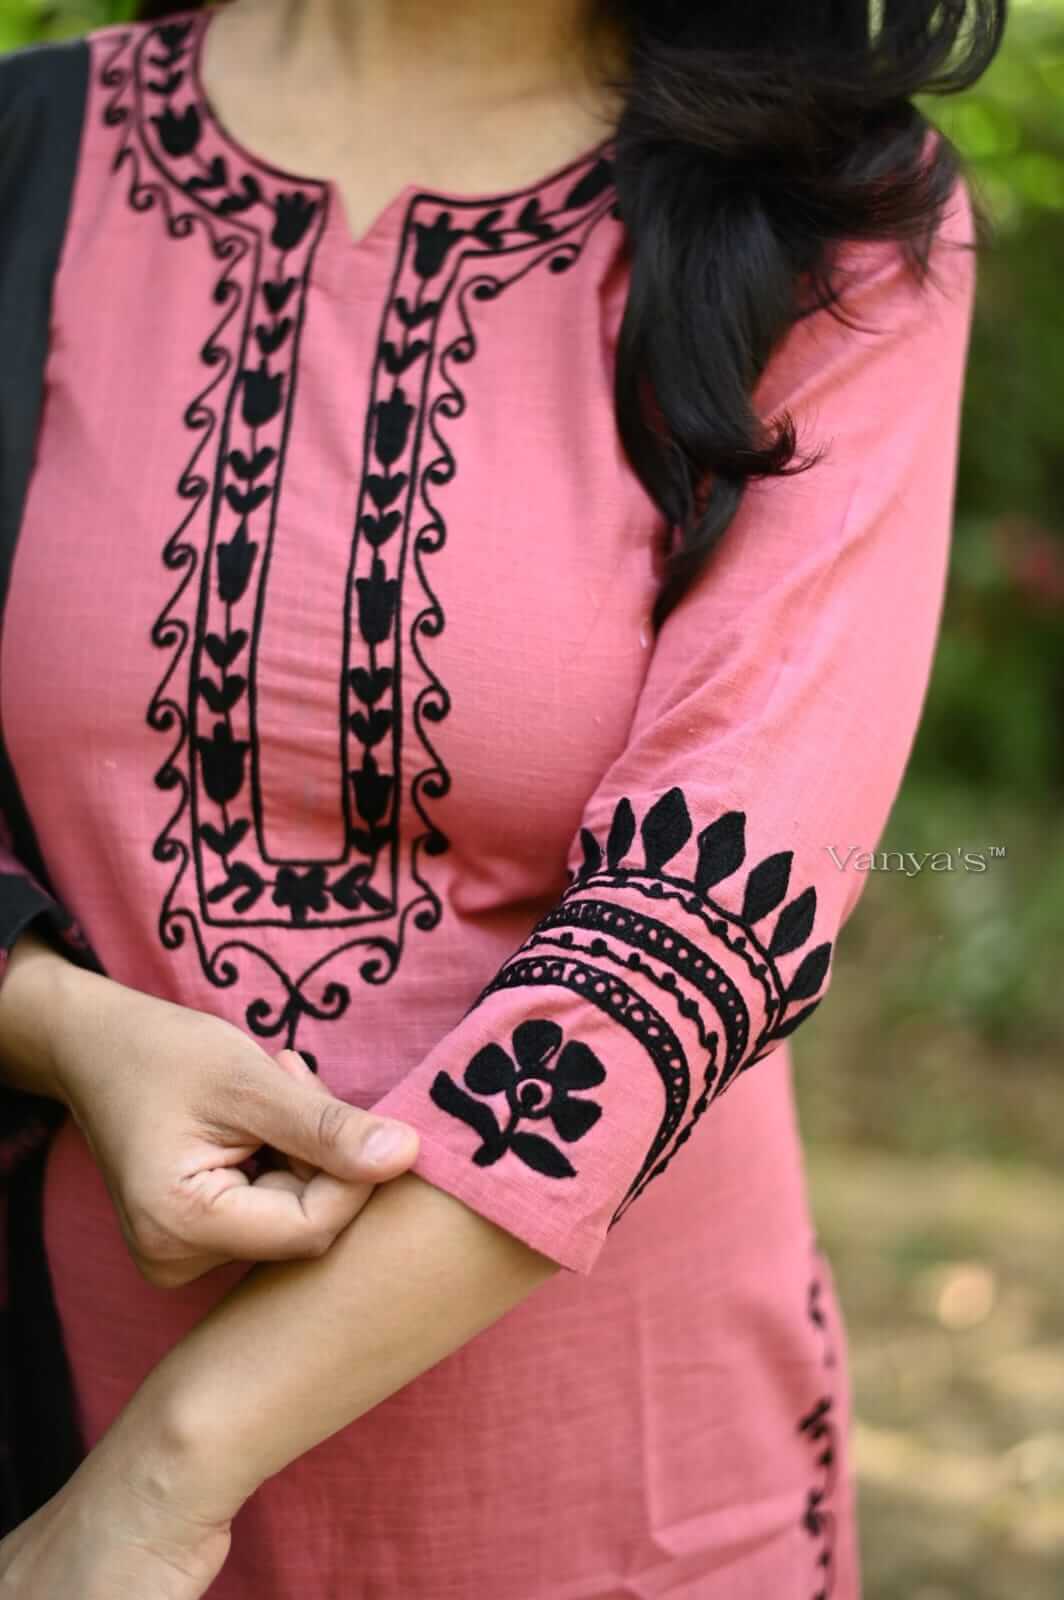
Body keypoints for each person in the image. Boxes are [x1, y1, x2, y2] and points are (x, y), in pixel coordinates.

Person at [0, 0, 1002, 1594]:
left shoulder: (836, 207)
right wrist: (53, 1020)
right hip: (46, 1408)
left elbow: (721, 908)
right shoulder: (29, 147)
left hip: (615, 1498)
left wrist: (157, 1480)